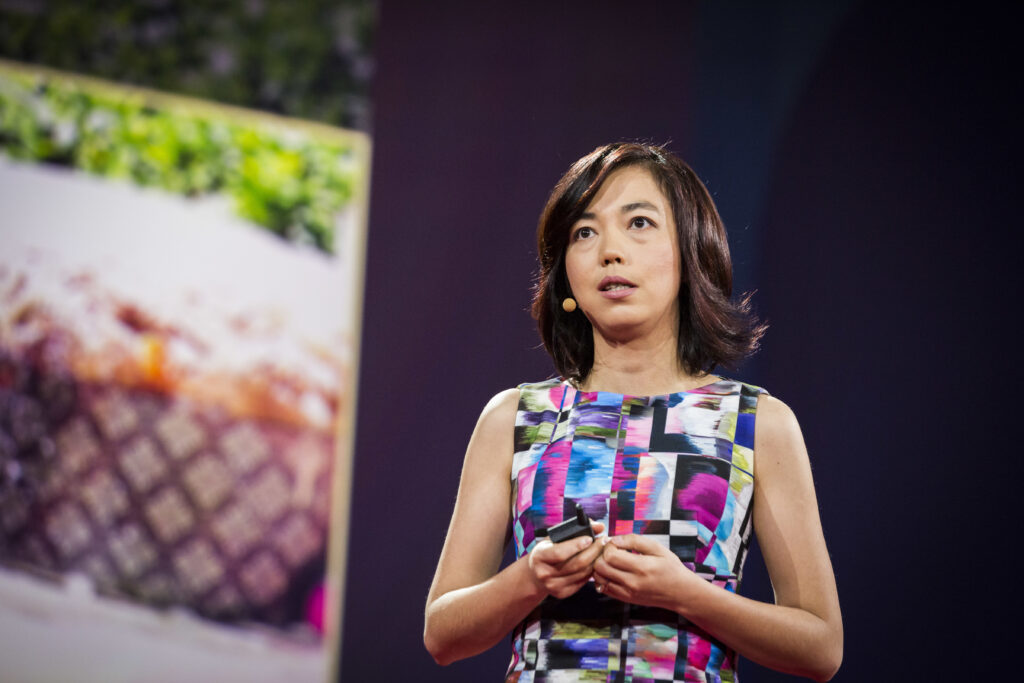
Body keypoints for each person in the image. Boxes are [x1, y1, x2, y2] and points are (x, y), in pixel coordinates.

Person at [423, 142, 842, 682]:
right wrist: (529, 578)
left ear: (691, 252)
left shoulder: (757, 422)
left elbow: (821, 647)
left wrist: (686, 594)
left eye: (639, 223)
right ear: (566, 276)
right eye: (584, 232)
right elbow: (442, 634)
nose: (609, 251)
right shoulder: (515, 417)